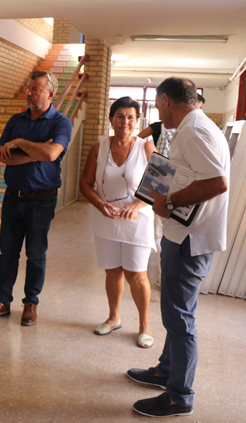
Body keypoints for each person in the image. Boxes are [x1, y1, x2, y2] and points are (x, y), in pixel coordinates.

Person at [127, 77, 229, 417]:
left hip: (189, 239)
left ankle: (179, 396)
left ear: (166, 100)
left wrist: (169, 201)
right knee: (175, 311)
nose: (158, 113)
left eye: (157, 106)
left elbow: (217, 182)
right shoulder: (197, 126)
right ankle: (166, 371)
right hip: (185, 235)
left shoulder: (194, 130)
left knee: (180, 318)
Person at [0, 70, 72, 326]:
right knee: (7, 253)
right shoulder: (15, 119)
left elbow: (52, 154)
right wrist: (36, 152)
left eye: (35, 89)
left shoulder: (61, 122)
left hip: (42, 199)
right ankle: (2, 301)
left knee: (36, 255)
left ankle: (31, 303)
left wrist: (19, 143)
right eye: (28, 89)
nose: (29, 93)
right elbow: (0, 154)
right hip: (12, 197)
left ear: (50, 94)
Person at [79, 96, 156, 348]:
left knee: (137, 275)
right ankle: (114, 318)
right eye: (120, 116)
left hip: (137, 221)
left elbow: (161, 184)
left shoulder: (146, 147)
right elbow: (84, 183)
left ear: (137, 120)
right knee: (112, 271)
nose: (125, 122)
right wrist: (99, 203)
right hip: (107, 219)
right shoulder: (98, 147)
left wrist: (137, 204)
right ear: (111, 119)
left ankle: (144, 326)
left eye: (131, 117)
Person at [138, 120, 176, 287]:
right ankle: (165, 276)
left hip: (160, 179)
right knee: (166, 233)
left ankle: (163, 277)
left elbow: (137, 138)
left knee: (158, 234)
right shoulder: (183, 127)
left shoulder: (156, 127)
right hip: (175, 181)